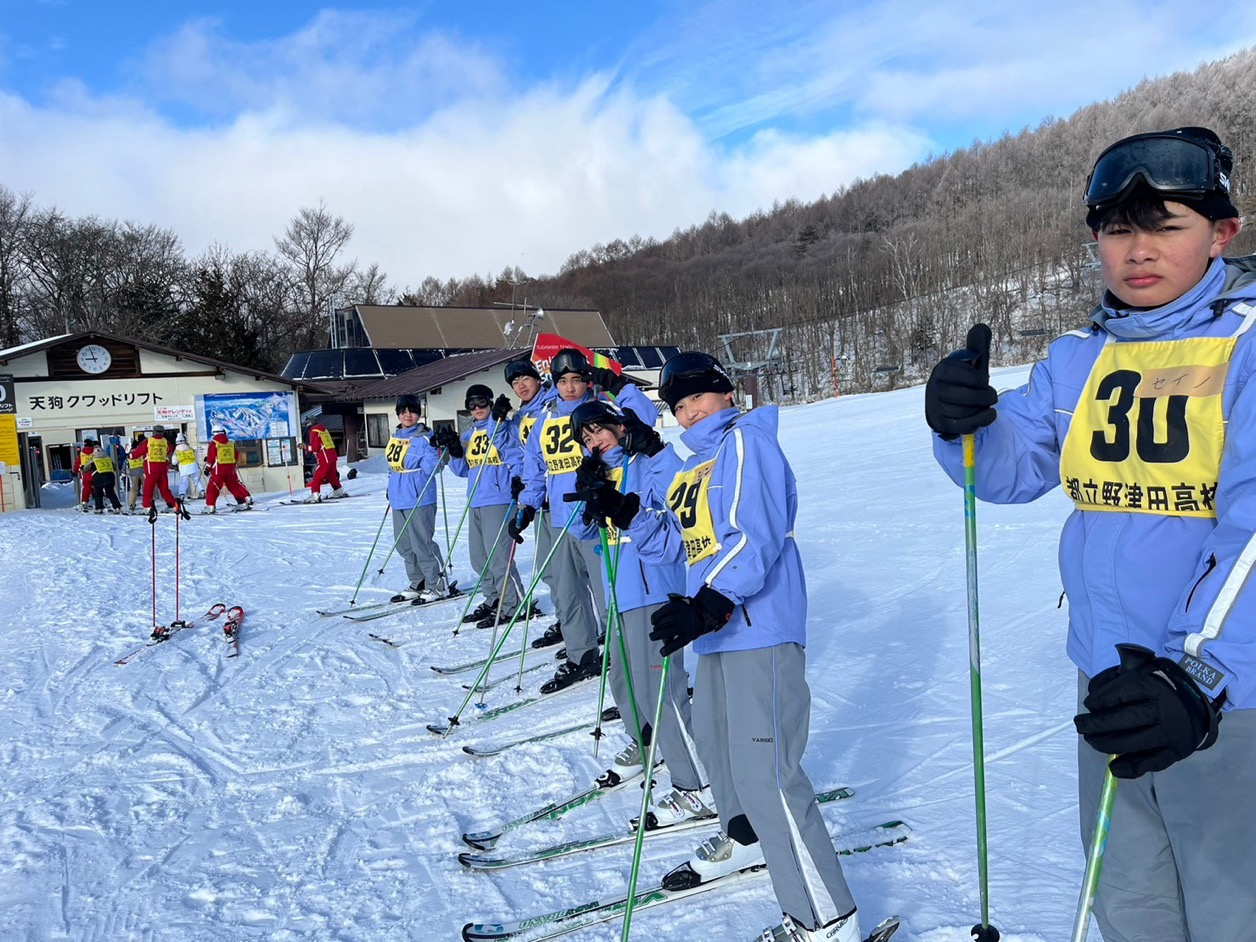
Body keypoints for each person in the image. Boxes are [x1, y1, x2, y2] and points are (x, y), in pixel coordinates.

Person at [925, 127, 1253, 942]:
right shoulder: (1078, 358)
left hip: (1219, 691)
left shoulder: (1246, 347)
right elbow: (1008, 469)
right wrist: (962, 424)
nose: (1138, 249)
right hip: (1107, 679)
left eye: (1166, 225)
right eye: (1116, 228)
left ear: (1222, 233)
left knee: (1229, 906)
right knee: (1129, 895)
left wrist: (1202, 674)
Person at [622, 351, 864, 942]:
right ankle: (743, 838)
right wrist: (632, 515)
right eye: (677, 406)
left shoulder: (746, 443)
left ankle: (825, 920)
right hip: (719, 634)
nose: (687, 413)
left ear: (725, 394)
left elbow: (754, 537)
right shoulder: (695, 468)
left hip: (759, 625)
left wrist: (710, 601)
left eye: (697, 399)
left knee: (767, 773)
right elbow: (682, 551)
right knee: (720, 751)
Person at [568, 399, 713, 825]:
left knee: (662, 691)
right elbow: (581, 530)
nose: (596, 441)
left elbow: (679, 493)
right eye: (587, 438)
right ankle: (656, 747)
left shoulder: (644, 463)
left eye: (600, 430)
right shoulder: (604, 471)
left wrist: (654, 449)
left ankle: (698, 785)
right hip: (622, 592)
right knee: (627, 683)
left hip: (654, 588)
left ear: (619, 425)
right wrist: (587, 491)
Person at [515, 348, 656, 694]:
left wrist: (622, 386)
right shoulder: (546, 419)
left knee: (610, 592)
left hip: (599, 515)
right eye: (563, 381)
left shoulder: (600, 411)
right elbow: (535, 468)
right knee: (566, 592)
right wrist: (527, 506)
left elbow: (644, 420)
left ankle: (635, 663)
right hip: (560, 518)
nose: (570, 387)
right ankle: (583, 655)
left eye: (576, 379)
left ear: (586, 380)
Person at [434, 384, 527, 626]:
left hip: (499, 499)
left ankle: (514, 604)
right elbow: (464, 470)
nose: (477, 408)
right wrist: (455, 452)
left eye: (481, 403)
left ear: (490, 403)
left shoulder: (502, 428)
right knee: (479, 558)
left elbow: (515, 457)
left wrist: (519, 482)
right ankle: (493, 598)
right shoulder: (469, 435)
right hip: (475, 500)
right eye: (471, 404)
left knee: (498, 558)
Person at [504, 357, 564, 648]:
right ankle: (568, 618)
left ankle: (599, 623)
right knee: (548, 566)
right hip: (540, 499)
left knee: (575, 569)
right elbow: (520, 454)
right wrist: (520, 480)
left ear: (538, 378)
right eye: (515, 383)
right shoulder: (521, 417)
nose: (521, 386)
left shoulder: (555, 403)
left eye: (525, 379)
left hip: (564, 496)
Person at [385, 395, 448, 603]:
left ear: (419, 413)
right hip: (398, 498)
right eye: (403, 411)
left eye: (411, 410)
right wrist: (390, 488)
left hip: (419, 497)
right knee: (404, 545)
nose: (407, 415)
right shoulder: (396, 436)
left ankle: (436, 583)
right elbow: (392, 467)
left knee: (422, 544)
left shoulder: (425, 438)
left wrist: (435, 448)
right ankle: (418, 580)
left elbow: (435, 468)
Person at [204, 423, 253, 513]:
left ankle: (210, 506)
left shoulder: (214, 443)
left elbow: (211, 459)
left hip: (218, 470)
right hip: (230, 469)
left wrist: (207, 469)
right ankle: (242, 503)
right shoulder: (231, 443)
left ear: (213, 433)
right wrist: (232, 465)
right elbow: (236, 455)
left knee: (212, 488)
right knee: (234, 486)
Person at [132, 425, 178, 512]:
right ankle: (173, 505)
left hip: (151, 469)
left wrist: (131, 456)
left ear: (153, 431)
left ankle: (147, 507)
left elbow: (139, 451)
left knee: (148, 489)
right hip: (163, 468)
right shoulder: (166, 442)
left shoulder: (149, 441)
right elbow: (170, 450)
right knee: (164, 489)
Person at [305, 420, 347, 502]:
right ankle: (338, 490)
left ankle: (315, 494)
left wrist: (305, 447)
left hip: (324, 457)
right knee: (330, 475)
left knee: (317, 476)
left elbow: (315, 448)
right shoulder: (323, 430)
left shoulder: (314, 431)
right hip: (332, 456)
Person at [82, 438, 122, 513]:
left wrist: (83, 468)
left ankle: (99, 508)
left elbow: (85, 469)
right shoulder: (108, 458)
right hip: (110, 476)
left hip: (98, 477)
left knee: (98, 493)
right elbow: (114, 467)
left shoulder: (93, 459)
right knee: (110, 492)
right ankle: (117, 507)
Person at [171, 433, 204, 500]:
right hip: (193, 466)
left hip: (184, 467)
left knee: (184, 482)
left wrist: (174, 464)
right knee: (196, 480)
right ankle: (202, 491)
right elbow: (196, 456)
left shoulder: (176, 451)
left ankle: (182, 495)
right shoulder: (190, 448)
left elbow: (174, 462)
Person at [72, 439, 96, 512]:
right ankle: (100, 501)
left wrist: (75, 471)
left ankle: (84, 503)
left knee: (86, 488)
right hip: (95, 472)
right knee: (97, 487)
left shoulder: (82, 453)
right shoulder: (95, 451)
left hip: (85, 474)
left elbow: (77, 463)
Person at [125, 431, 145, 512]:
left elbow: (126, 462)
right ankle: (148, 503)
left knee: (134, 488)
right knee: (146, 488)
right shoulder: (142, 449)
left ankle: (131, 504)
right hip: (143, 469)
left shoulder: (130, 452)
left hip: (133, 470)